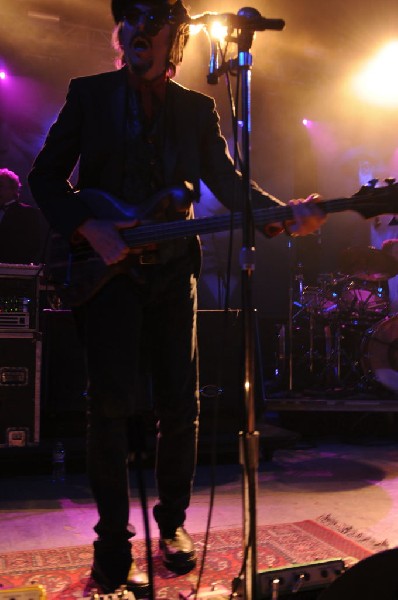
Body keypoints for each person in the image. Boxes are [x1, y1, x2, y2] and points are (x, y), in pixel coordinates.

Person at [28, 0, 326, 595]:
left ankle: (173, 526)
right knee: (108, 409)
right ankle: (113, 539)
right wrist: (91, 227)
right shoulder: (89, 95)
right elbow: (44, 179)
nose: (140, 27)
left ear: (175, 37)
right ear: (122, 32)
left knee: (181, 408)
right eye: (130, 17)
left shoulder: (196, 110)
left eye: (154, 18)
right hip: (105, 274)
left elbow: (228, 182)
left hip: (171, 274)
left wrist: (282, 216)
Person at [0, 168, 46, 264]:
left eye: (1, 186)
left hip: (13, 269)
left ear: (14, 189)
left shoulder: (28, 213)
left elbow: (33, 244)